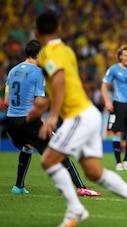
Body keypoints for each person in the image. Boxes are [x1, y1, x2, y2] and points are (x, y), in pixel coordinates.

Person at [29, 11, 127, 227]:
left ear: (37, 32)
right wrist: (45, 105)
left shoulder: (47, 52)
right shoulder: (66, 50)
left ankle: (75, 210)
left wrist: (51, 117)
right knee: (94, 172)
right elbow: (65, 83)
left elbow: (58, 81)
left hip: (78, 116)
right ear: (58, 29)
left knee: (48, 160)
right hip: (89, 114)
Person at [4, 40, 100, 197]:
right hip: (28, 121)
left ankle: (18, 186)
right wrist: (42, 123)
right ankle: (82, 187)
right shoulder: (38, 73)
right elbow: (39, 102)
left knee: (28, 146)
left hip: (11, 120)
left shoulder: (12, 71)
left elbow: (6, 101)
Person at [101, 44, 127, 171]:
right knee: (117, 132)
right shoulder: (113, 69)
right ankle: (118, 162)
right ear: (120, 56)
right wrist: (107, 102)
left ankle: (126, 160)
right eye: (124, 55)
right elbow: (104, 85)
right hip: (118, 103)